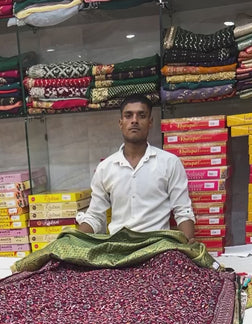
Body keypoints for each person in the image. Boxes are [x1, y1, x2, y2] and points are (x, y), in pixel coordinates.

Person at [78, 94, 195, 242]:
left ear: (150, 122)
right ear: (120, 123)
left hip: (158, 249)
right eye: (128, 116)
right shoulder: (105, 168)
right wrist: (72, 240)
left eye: (141, 115)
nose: (134, 120)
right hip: (119, 250)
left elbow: (183, 211)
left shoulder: (169, 162)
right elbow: (95, 216)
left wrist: (188, 245)